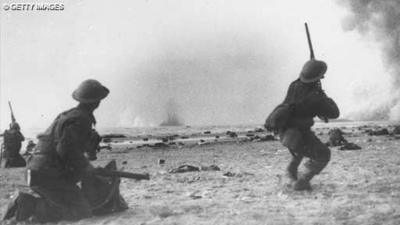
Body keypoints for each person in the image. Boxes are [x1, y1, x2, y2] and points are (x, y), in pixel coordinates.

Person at [2, 79, 127, 223]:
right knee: (81, 211)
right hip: (48, 172)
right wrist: (86, 167)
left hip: (37, 168)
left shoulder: (69, 115)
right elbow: (65, 148)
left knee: (66, 202)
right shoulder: (81, 119)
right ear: (97, 102)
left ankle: (29, 206)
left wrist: (85, 163)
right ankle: (27, 205)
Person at [267, 59, 339, 191]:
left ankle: (290, 173)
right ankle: (302, 181)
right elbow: (334, 113)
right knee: (323, 155)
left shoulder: (294, 85)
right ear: (317, 77)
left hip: (285, 132)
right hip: (299, 134)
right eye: (321, 75)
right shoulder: (316, 97)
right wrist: (323, 94)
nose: (323, 77)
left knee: (299, 152)